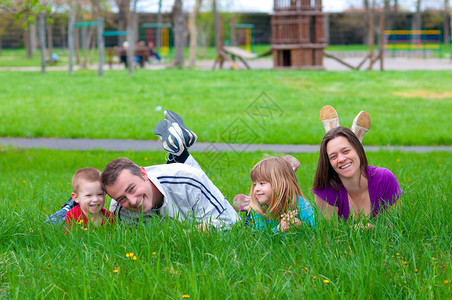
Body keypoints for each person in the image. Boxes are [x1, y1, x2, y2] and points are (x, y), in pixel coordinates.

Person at [103, 110, 239, 229]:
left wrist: (187, 236)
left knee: (186, 185)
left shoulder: (189, 180)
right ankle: (179, 152)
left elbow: (230, 222)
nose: (132, 201)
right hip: (170, 180)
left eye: (132, 189)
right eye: (121, 198)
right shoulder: (121, 211)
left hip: (181, 179)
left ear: (144, 173)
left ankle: (179, 154)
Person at [312, 126, 402, 222]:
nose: (341, 159)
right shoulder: (325, 190)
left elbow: (394, 227)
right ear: (328, 162)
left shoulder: (385, 179)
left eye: (346, 151)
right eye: (333, 156)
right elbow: (330, 235)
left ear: (358, 150)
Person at [244, 157, 315, 233]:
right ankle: (247, 210)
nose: (256, 189)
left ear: (280, 184)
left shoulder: (300, 204)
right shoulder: (257, 208)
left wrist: (300, 226)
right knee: (247, 223)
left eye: (262, 183)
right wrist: (278, 230)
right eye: (254, 184)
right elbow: (260, 237)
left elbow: (314, 231)